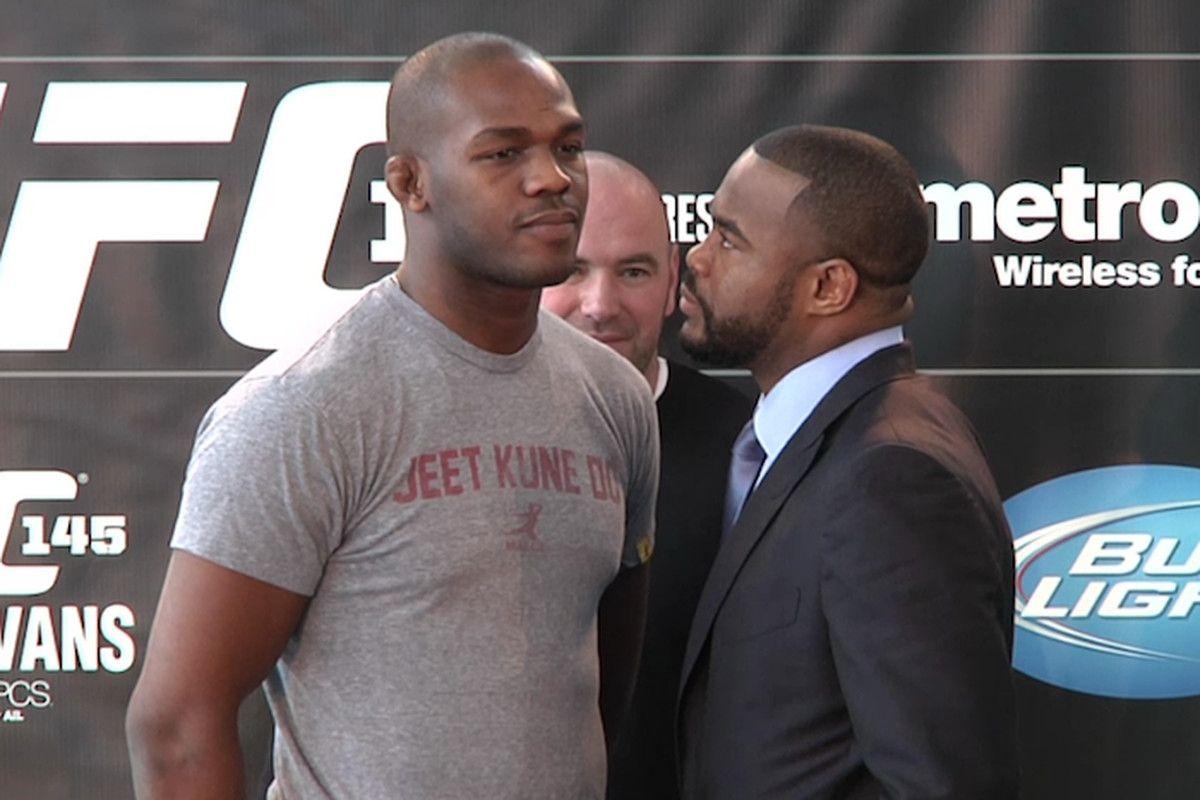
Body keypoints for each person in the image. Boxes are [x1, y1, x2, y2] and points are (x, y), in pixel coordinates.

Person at [126, 32, 659, 800]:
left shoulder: (617, 399)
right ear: (411, 183)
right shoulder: (304, 406)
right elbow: (176, 726)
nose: (551, 179)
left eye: (567, 147)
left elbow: (604, 688)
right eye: (503, 154)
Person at [675, 124, 1018, 798]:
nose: (696, 256)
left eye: (729, 238)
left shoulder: (890, 475)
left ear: (828, 287)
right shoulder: (821, 438)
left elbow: (940, 784)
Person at [541, 152, 751, 800]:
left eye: (633, 271)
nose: (600, 305)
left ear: (672, 287)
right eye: (572, 270)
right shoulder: (454, 435)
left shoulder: (755, 448)